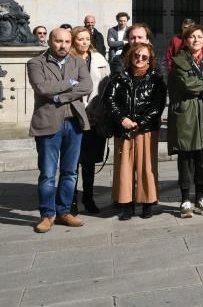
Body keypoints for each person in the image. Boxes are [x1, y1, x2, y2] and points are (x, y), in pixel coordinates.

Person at [27, 28, 93, 233]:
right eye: (58, 41)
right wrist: (70, 83)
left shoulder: (78, 62)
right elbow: (42, 88)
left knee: (70, 172)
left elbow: (87, 86)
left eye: (66, 41)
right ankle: (47, 215)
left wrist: (60, 96)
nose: (63, 45)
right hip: (48, 123)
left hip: (74, 123)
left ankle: (64, 211)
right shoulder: (35, 63)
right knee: (47, 173)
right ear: (50, 41)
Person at [167, 26, 203, 218]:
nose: (196, 40)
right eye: (192, 37)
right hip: (188, 115)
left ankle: (200, 197)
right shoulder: (179, 61)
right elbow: (187, 84)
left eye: (199, 36)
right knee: (187, 158)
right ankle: (185, 199)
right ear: (185, 40)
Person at [104, 42, 165, 220]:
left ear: (150, 60)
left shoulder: (156, 80)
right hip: (123, 129)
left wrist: (139, 122)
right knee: (125, 168)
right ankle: (127, 206)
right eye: (136, 56)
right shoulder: (119, 77)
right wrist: (122, 118)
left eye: (144, 57)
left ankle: (147, 204)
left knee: (147, 167)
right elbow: (109, 99)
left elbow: (157, 106)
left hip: (146, 129)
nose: (139, 59)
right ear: (130, 57)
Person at [69, 26, 111, 214]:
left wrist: (100, 112)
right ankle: (71, 200)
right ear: (73, 40)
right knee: (72, 162)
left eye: (87, 39)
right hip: (73, 117)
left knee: (89, 162)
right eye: (80, 39)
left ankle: (88, 197)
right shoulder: (68, 60)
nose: (84, 42)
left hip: (95, 117)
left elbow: (105, 86)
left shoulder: (100, 58)